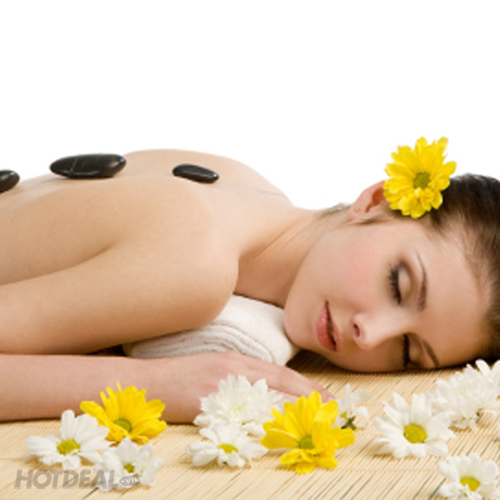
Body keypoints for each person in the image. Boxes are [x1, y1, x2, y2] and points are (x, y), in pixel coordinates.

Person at [0, 144, 499, 423]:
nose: (370, 335)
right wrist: (161, 386)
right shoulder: (195, 265)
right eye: (397, 284)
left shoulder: (245, 184)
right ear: (375, 201)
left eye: (408, 351)